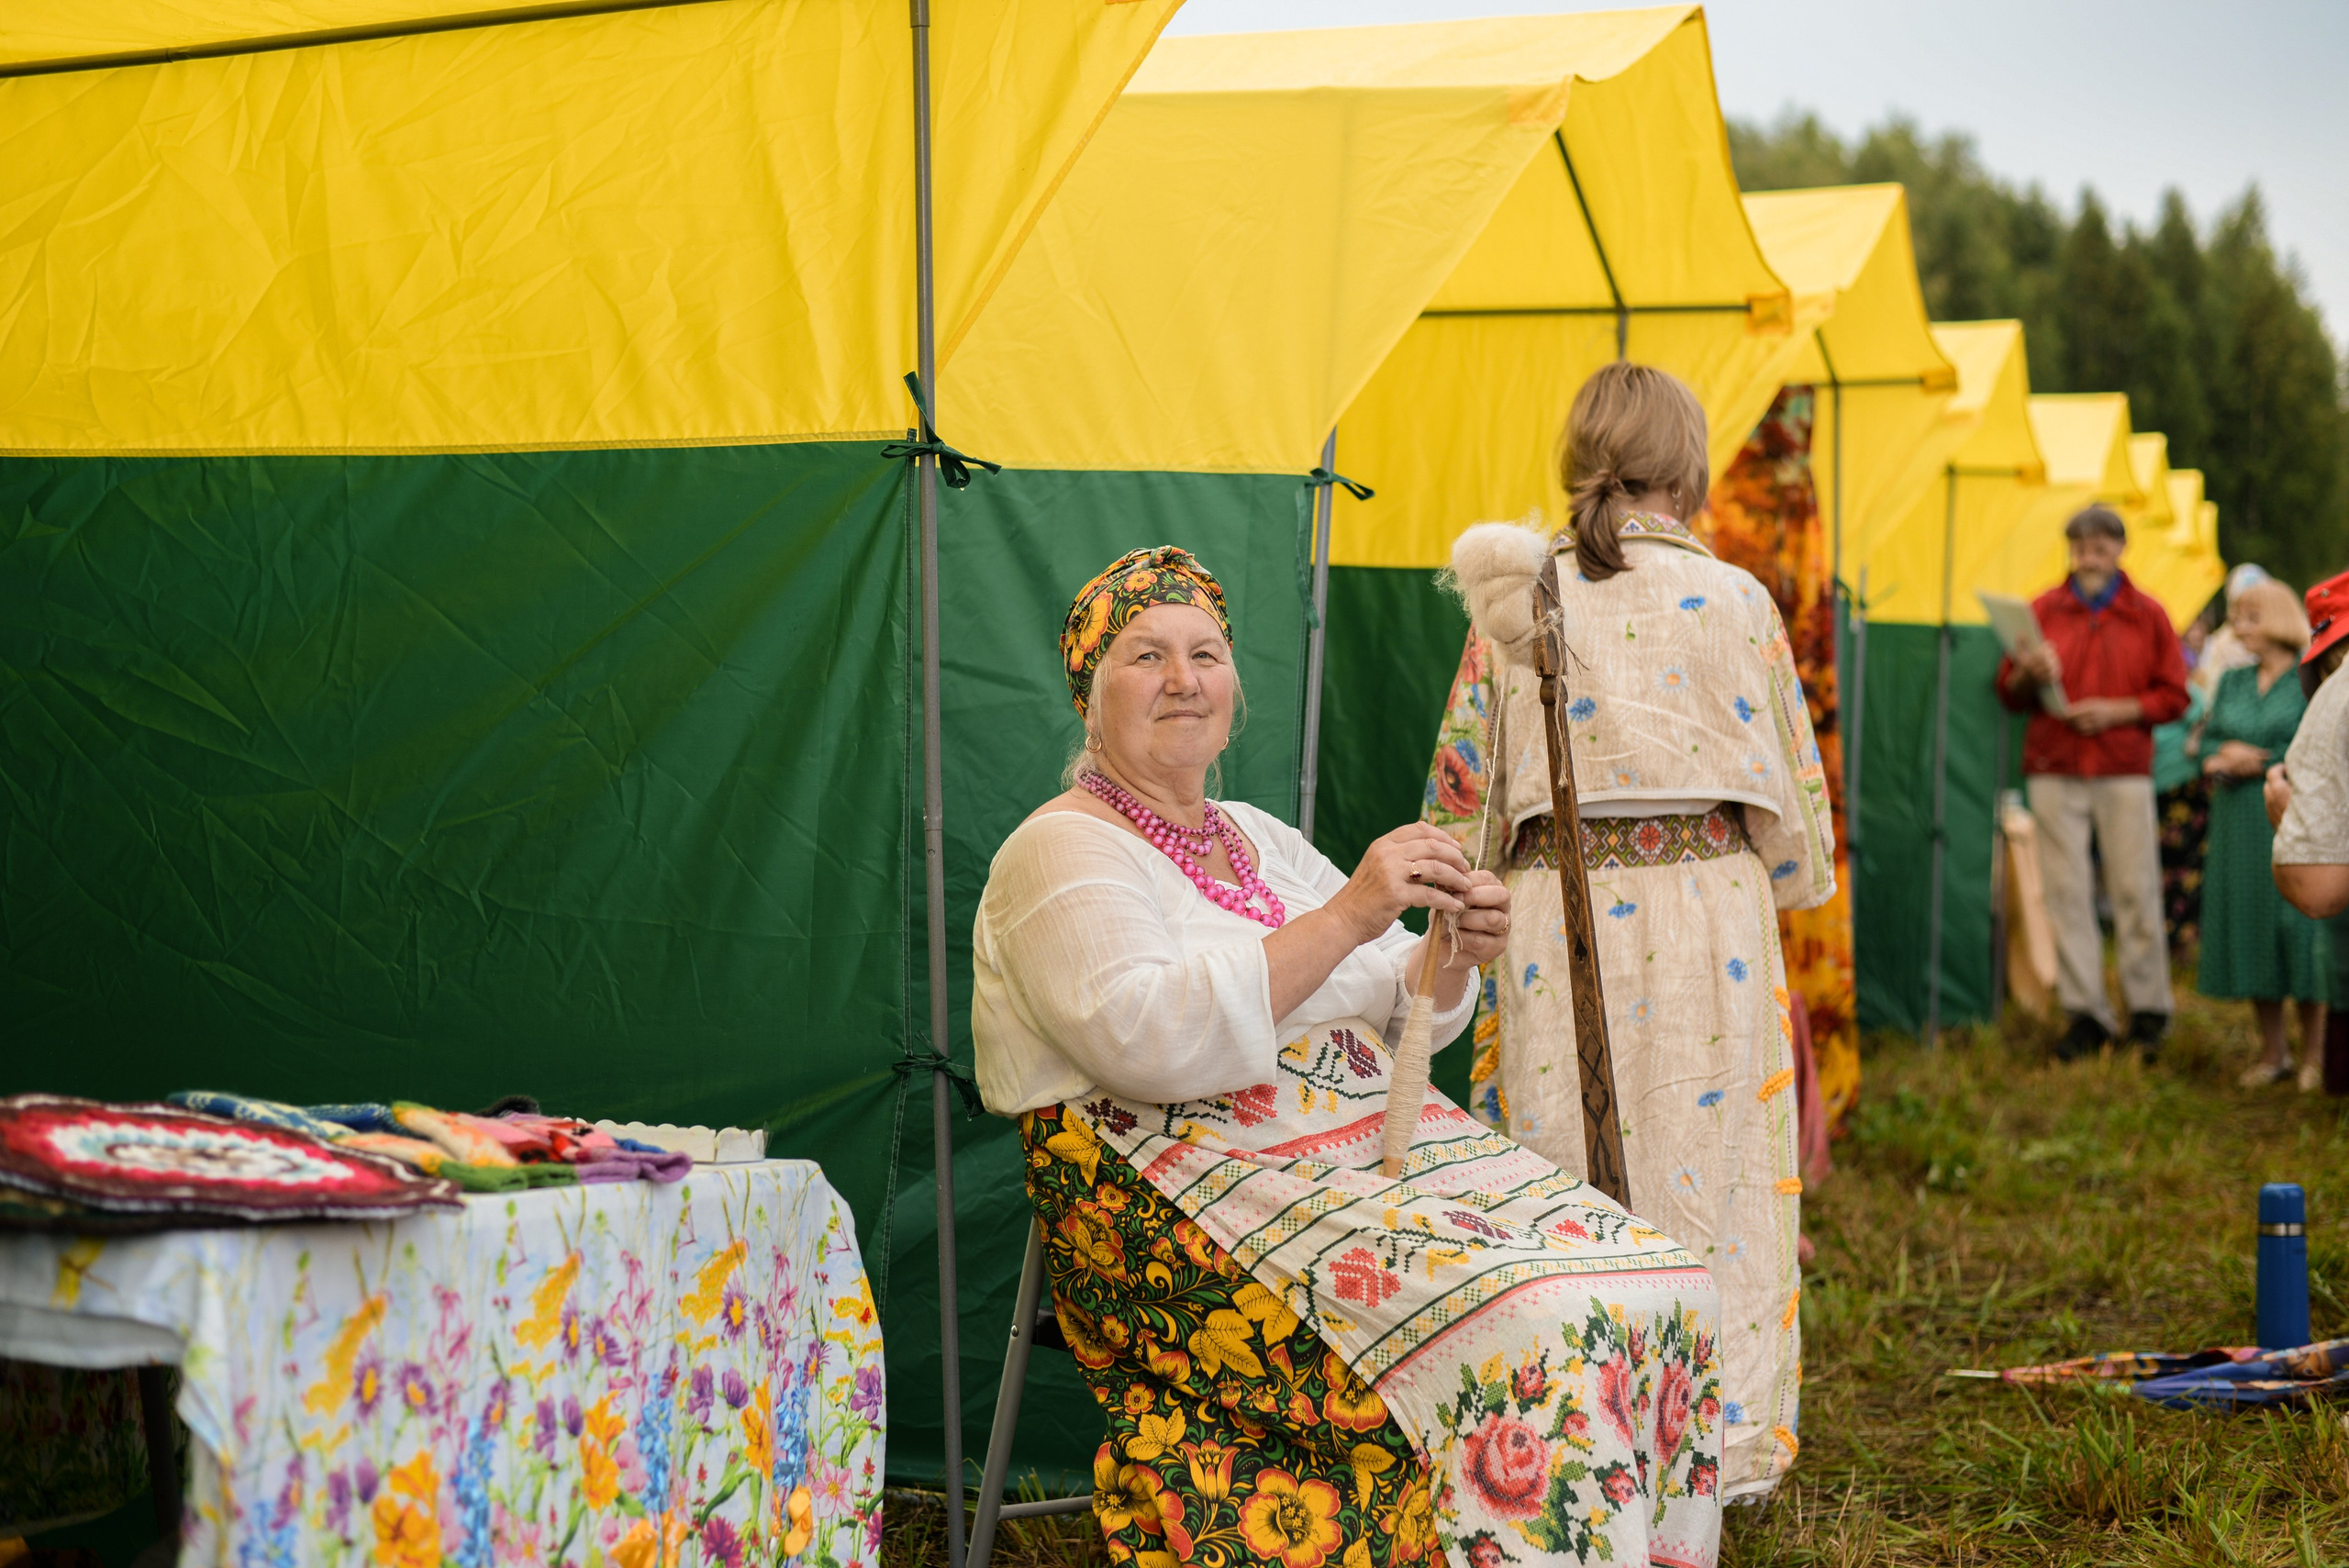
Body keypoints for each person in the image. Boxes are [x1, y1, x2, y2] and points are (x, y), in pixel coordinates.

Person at [972, 547, 1726, 1568]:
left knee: (1660, 1274)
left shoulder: (1253, 837)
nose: (1183, 678)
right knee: (1531, 1319)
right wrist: (1351, 913)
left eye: (1205, 653)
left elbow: (1390, 990)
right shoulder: (1059, 849)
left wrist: (1448, 951)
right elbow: (1145, 1038)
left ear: (1235, 689)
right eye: (1144, 655)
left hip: (1353, 1152)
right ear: (1090, 696)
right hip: (1176, 1190)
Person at [1426, 361, 1836, 1503]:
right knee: (1713, 1180)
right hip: (1709, 914)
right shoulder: (1737, 601)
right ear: (1687, 467)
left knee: (1559, 1163)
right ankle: (1717, 1448)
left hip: (1559, 927)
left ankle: (1571, 1444)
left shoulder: (1516, 593)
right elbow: (1797, 831)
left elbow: (1458, 802)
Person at [1996, 506, 2190, 1060]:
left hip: (2121, 766)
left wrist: (2120, 709)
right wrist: (2027, 675)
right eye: (2080, 542)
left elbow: (2175, 695)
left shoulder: (2147, 614)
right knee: (2065, 893)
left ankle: (2149, 1011)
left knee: (2135, 887)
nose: (2090, 551)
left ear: (2121, 548)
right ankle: (2087, 1014)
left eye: (2101, 542)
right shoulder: (2040, 610)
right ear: (2070, 549)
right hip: (2055, 765)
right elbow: (2008, 693)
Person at [2195, 580, 2329, 1086]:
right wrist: (2221, 756)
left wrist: (2266, 761)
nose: (2239, 628)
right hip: (2236, 821)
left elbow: (2323, 745)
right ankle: (2274, 1055)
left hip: (2293, 814)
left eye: (2251, 617)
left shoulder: (2312, 675)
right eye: (2237, 617)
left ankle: (2316, 1055)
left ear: (2277, 617)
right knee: (2251, 926)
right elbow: (2205, 740)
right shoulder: (2230, 681)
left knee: (2300, 930)